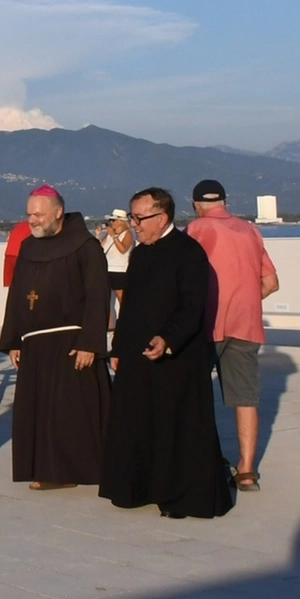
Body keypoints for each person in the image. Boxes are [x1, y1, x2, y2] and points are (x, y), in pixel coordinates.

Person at [99, 187, 232, 519]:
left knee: (175, 427)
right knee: (136, 423)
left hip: (177, 358)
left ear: (162, 217)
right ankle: (137, 488)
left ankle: (178, 495)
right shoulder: (141, 253)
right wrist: (119, 347)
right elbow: (130, 308)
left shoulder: (189, 253)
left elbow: (192, 307)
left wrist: (167, 339)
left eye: (139, 218)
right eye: (132, 217)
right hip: (135, 356)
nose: (134, 224)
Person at [0, 184, 112, 490]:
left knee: (72, 413)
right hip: (35, 342)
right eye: (29, 214)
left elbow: (97, 295)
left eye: (38, 214)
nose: (32, 220)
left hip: (72, 342)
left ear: (58, 212)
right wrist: (13, 340)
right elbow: (18, 295)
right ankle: (50, 472)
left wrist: (90, 343)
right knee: (41, 413)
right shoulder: (28, 246)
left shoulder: (85, 245)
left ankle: (85, 469)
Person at [186, 179, 280, 492]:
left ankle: (200, 462)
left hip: (208, 324)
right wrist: (245, 301)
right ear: (225, 202)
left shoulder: (198, 230)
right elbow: (270, 283)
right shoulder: (250, 231)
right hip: (247, 324)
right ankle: (247, 470)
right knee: (246, 399)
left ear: (197, 204)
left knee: (194, 394)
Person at [97, 209, 133, 317]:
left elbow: (123, 249)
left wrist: (114, 236)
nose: (111, 223)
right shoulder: (109, 234)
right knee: (105, 300)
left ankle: (126, 320)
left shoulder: (127, 234)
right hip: (107, 269)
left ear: (121, 222)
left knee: (122, 298)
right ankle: (109, 326)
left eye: (113, 220)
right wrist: (99, 236)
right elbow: (100, 248)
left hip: (120, 270)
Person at [2, 220, 33, 287]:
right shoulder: (34, 226)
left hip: (9, 254)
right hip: (19, 255)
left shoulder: (20, 225)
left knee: (10, 285)